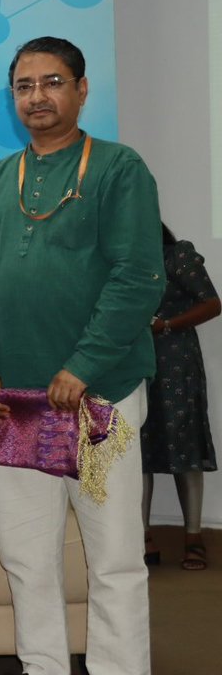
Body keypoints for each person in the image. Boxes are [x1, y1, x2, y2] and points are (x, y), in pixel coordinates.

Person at [0, 36, 165, 675]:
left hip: (99, 397)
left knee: (115, 557)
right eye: (24, 85)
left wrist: (82, 366)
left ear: (80, 88)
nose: (37, 96)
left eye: (51, 82)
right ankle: (42, 667)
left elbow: (137, 278)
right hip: (10, 404)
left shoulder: (119, 169)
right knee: (25, 556)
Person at [142, 223, 220, 571]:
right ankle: (141, 536)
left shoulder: (177, 255)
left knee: (183, 444)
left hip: (176, 361)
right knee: (137, 450)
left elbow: (212, 304)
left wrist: (167, 324)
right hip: (131, 363)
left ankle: (193, 537)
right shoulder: (116, 261)